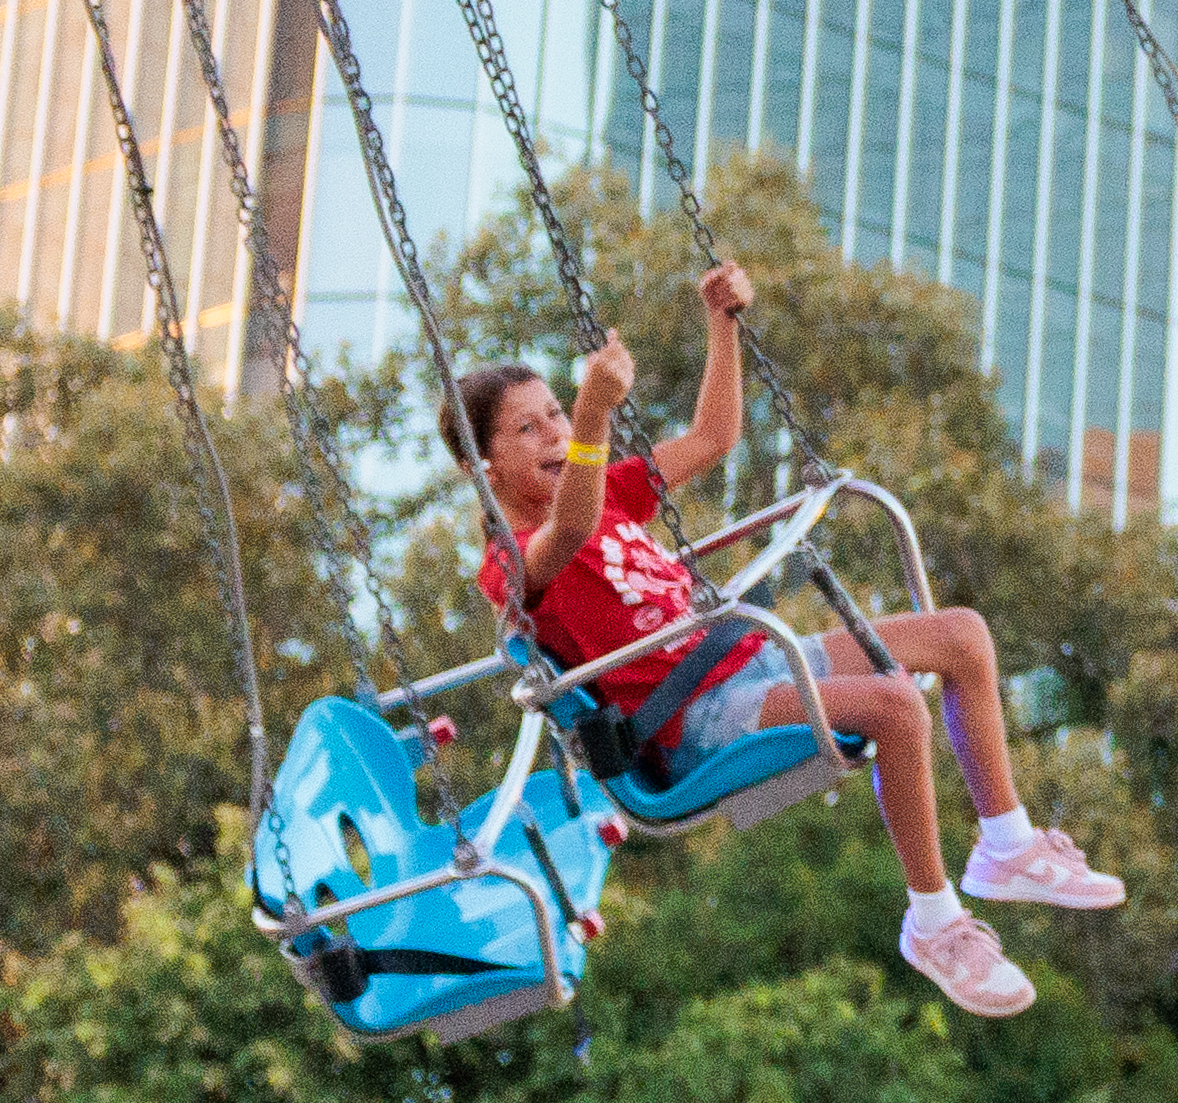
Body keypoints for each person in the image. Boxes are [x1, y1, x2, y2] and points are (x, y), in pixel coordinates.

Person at [449, 267, 1120, 1019]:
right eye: (528, 428)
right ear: (483, 466)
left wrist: (722, 322)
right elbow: (567, 529)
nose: (557, 433)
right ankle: (935, 924)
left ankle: (1007, 844)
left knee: (961, 635)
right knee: (896, 707)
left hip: (752, 661)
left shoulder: (610, 494)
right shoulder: (508, 562)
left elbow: (713, 436)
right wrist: (596, 418)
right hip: (696, 716)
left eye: (557, 416)